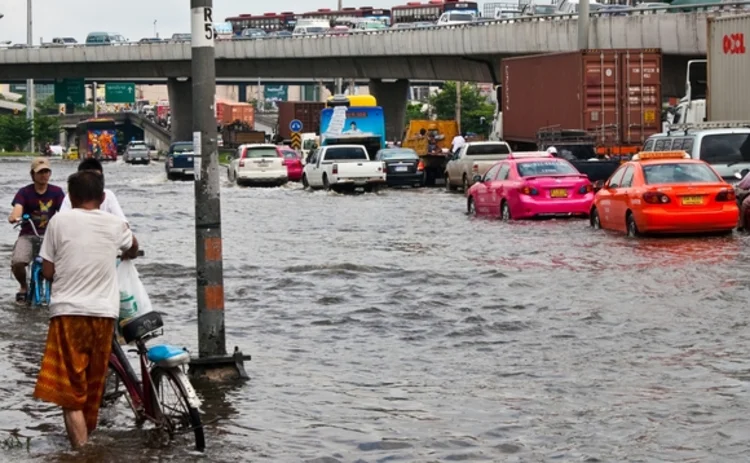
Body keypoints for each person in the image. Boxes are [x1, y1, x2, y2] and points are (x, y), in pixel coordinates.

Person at [34, 170, 140, 449]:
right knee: (94, 387)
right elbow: (133, 248)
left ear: (70, 196)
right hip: (104, 315)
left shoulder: (59, 222)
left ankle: (82, 452)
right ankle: (88, 443)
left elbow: (47, 270)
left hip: (68, 314)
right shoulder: (115, 224)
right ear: (103, 197)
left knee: (70, 389)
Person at [8, 157, 66, 305]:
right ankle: (23, 286)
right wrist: (15, 216)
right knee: (18, 262)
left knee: (65, 262)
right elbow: (18, 207)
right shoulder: (24, 192)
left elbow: (66, 212)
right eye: (40, 172)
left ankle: (60, 289)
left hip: (50, 236)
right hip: (29, 234)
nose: (44, 175)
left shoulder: (57, 192)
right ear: (32, 175)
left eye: (46, 171)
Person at [59, 158, 127, 222]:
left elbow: (124, 224)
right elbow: (62, 221)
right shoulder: (71, 196)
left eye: (98, 178)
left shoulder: (108, 195)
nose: (93, 181)